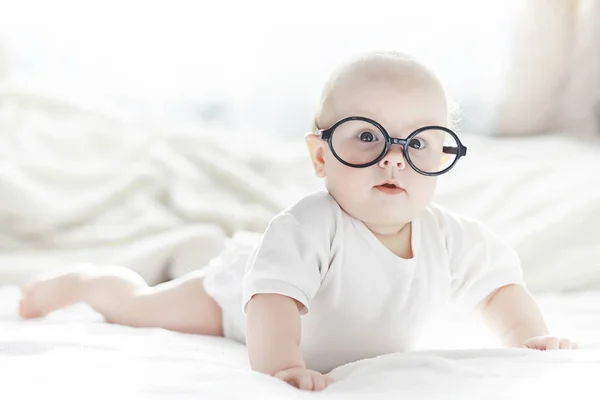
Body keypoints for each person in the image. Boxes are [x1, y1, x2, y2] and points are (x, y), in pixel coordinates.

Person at [18, 51, 578, 392]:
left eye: (417, 144)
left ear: (440, 159)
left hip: (277, 302)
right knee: (140, 309)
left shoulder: (452, 237)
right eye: (366, 137)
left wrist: (529, 339)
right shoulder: (310, 225)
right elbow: (270, 304)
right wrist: (283, 366)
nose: (392, 158)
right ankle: (89, 282)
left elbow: (500, 286)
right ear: (320, 157)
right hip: (236, 299)